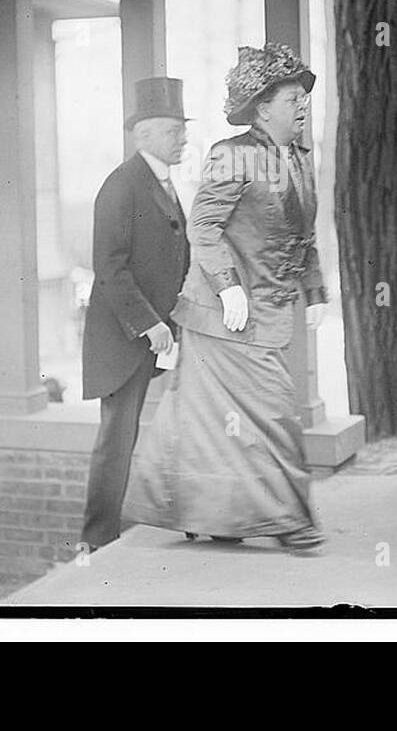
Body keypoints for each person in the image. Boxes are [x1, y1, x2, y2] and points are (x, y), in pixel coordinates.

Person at [123, 44, 328, 550]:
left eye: (304, 98)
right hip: (226, 315)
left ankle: (210, 513)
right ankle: (290, 520)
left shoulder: (299, 156)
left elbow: (305, 234)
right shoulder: (232, 154)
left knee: (207, 421)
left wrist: (315, 289)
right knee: (272, 413)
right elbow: (204, 225)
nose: (302, 106)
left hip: (268, 308)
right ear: (261, 108)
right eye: (291, 99)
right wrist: (228, 286)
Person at [79, 78, 191, 551]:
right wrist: (149, 323)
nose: (182, 138)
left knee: (184, 420)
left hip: (162, 332)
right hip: (125, 337)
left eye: (182, 130)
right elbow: (109, 265)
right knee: (116, 437)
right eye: (171, 131)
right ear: (142, 135)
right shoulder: (122, 185)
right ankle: (97, 539)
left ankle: (192, 514)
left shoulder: (164, 183)